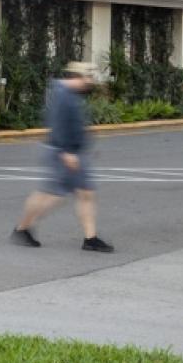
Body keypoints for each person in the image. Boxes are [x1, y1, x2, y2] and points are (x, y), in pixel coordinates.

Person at [11, 60, 111, 252]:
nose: (90, 84)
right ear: (78, 77)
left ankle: (90, 239)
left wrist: (83, 145)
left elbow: (74, 124)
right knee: (51, 195)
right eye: (88, 79)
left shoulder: (70, 95)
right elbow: (57, 125)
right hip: (63, 153)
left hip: (73, 152)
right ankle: (21, 229)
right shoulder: (62, 95)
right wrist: (67, 152)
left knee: (85, 194)